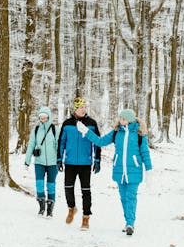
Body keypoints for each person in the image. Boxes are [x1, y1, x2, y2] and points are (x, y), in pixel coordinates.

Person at [76, 109, 152, 236]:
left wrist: (149, 170)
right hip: (119, 171)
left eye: (123, 118)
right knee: (123, 198)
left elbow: (145, 152)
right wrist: (86, 132)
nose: (120, 120)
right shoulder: (116, 133)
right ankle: (127, 221)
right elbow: (100, 141)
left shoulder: (139, 134)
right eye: (120, 118)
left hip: (134, 170)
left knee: (131, 197)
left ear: (130, 120)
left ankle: (130, 223)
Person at [58, 97, 101, 230]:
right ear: (75, 109)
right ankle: (72, 208)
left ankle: (86, 218)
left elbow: (97, 142)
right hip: (70, 162)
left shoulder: (91, 123)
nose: (84, 109)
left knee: (86, 191)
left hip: (85, 163)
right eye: (81, 107)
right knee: (68, 188)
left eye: (85, 107)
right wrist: (59, 159)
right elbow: (61, 142)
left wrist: (97, 160)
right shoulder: (67, 124)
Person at [24, 107, 59, 217]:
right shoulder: (36, 129)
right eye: (41, 117)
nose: (43, 119)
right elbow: (31, 145)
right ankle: (41, 207)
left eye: (45, 117)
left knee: (51, 185)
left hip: (53, 163)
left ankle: (50, 209)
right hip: (39, 162)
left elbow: (59, 145)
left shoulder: (55, 129)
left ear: (48, 117)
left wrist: (60, 159)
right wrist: (27, 160)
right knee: (39, 184)